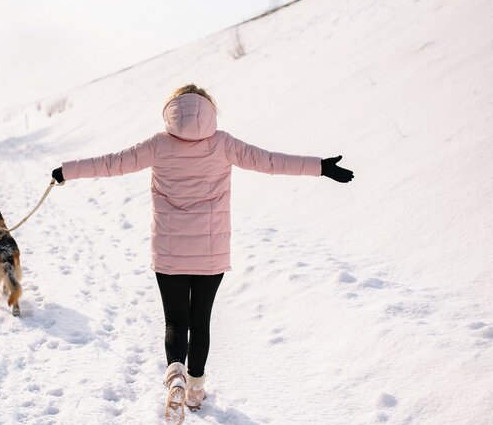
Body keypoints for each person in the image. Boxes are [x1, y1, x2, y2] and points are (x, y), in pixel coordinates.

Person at [50, 84, 353, 424]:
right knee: (200, 320)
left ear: (172, 111)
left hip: (168, 251)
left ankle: (175, 375)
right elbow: (270, 161)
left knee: (175, 321)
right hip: (211, 252)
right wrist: (320, 166)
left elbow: (109, 164)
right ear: (209, 110)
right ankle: (194, 390)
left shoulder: (157, 144)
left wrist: (66, 172)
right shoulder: (223, 143)